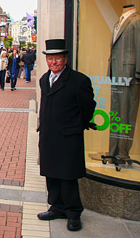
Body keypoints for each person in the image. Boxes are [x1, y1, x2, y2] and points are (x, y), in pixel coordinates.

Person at [37, 39, 96, 232]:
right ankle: (56, 207)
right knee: (51, 173)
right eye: (50, 58)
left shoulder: (79, 81)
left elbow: (88, 107)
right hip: (49, 135)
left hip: (68, 136)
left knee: (68, 176)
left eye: (57, 59)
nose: (53, 62)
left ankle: (73, 213)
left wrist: (77, 125)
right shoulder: (44, 79)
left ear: (65, 59)